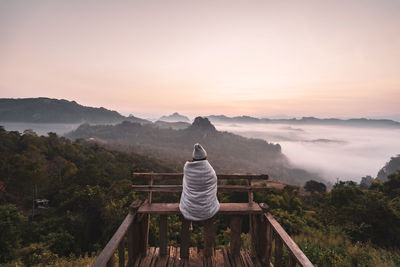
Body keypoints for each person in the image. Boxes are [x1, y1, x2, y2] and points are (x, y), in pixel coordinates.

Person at [179, 143, 220, 221]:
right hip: (208, 210)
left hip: (189, 209)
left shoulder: (187, 168)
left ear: (193, 157)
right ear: (205, 157)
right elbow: (213, 184)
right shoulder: (210, 171)